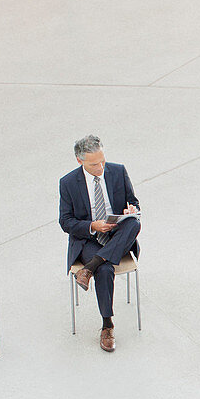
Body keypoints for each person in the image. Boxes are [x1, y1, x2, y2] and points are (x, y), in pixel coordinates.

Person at [58, 135, 141, 352]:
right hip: (90, 239)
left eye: (102, 161)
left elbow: (133, 202)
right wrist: (92, 226)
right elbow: (65, 222)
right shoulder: (67, 183)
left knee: (134, 223)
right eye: (94, 164)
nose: (100, 167)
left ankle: (88, 268)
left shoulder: (118, 171)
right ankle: (107, 325)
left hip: (117, 233)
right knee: (105, 270)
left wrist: (130, 209)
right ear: (80, 161)